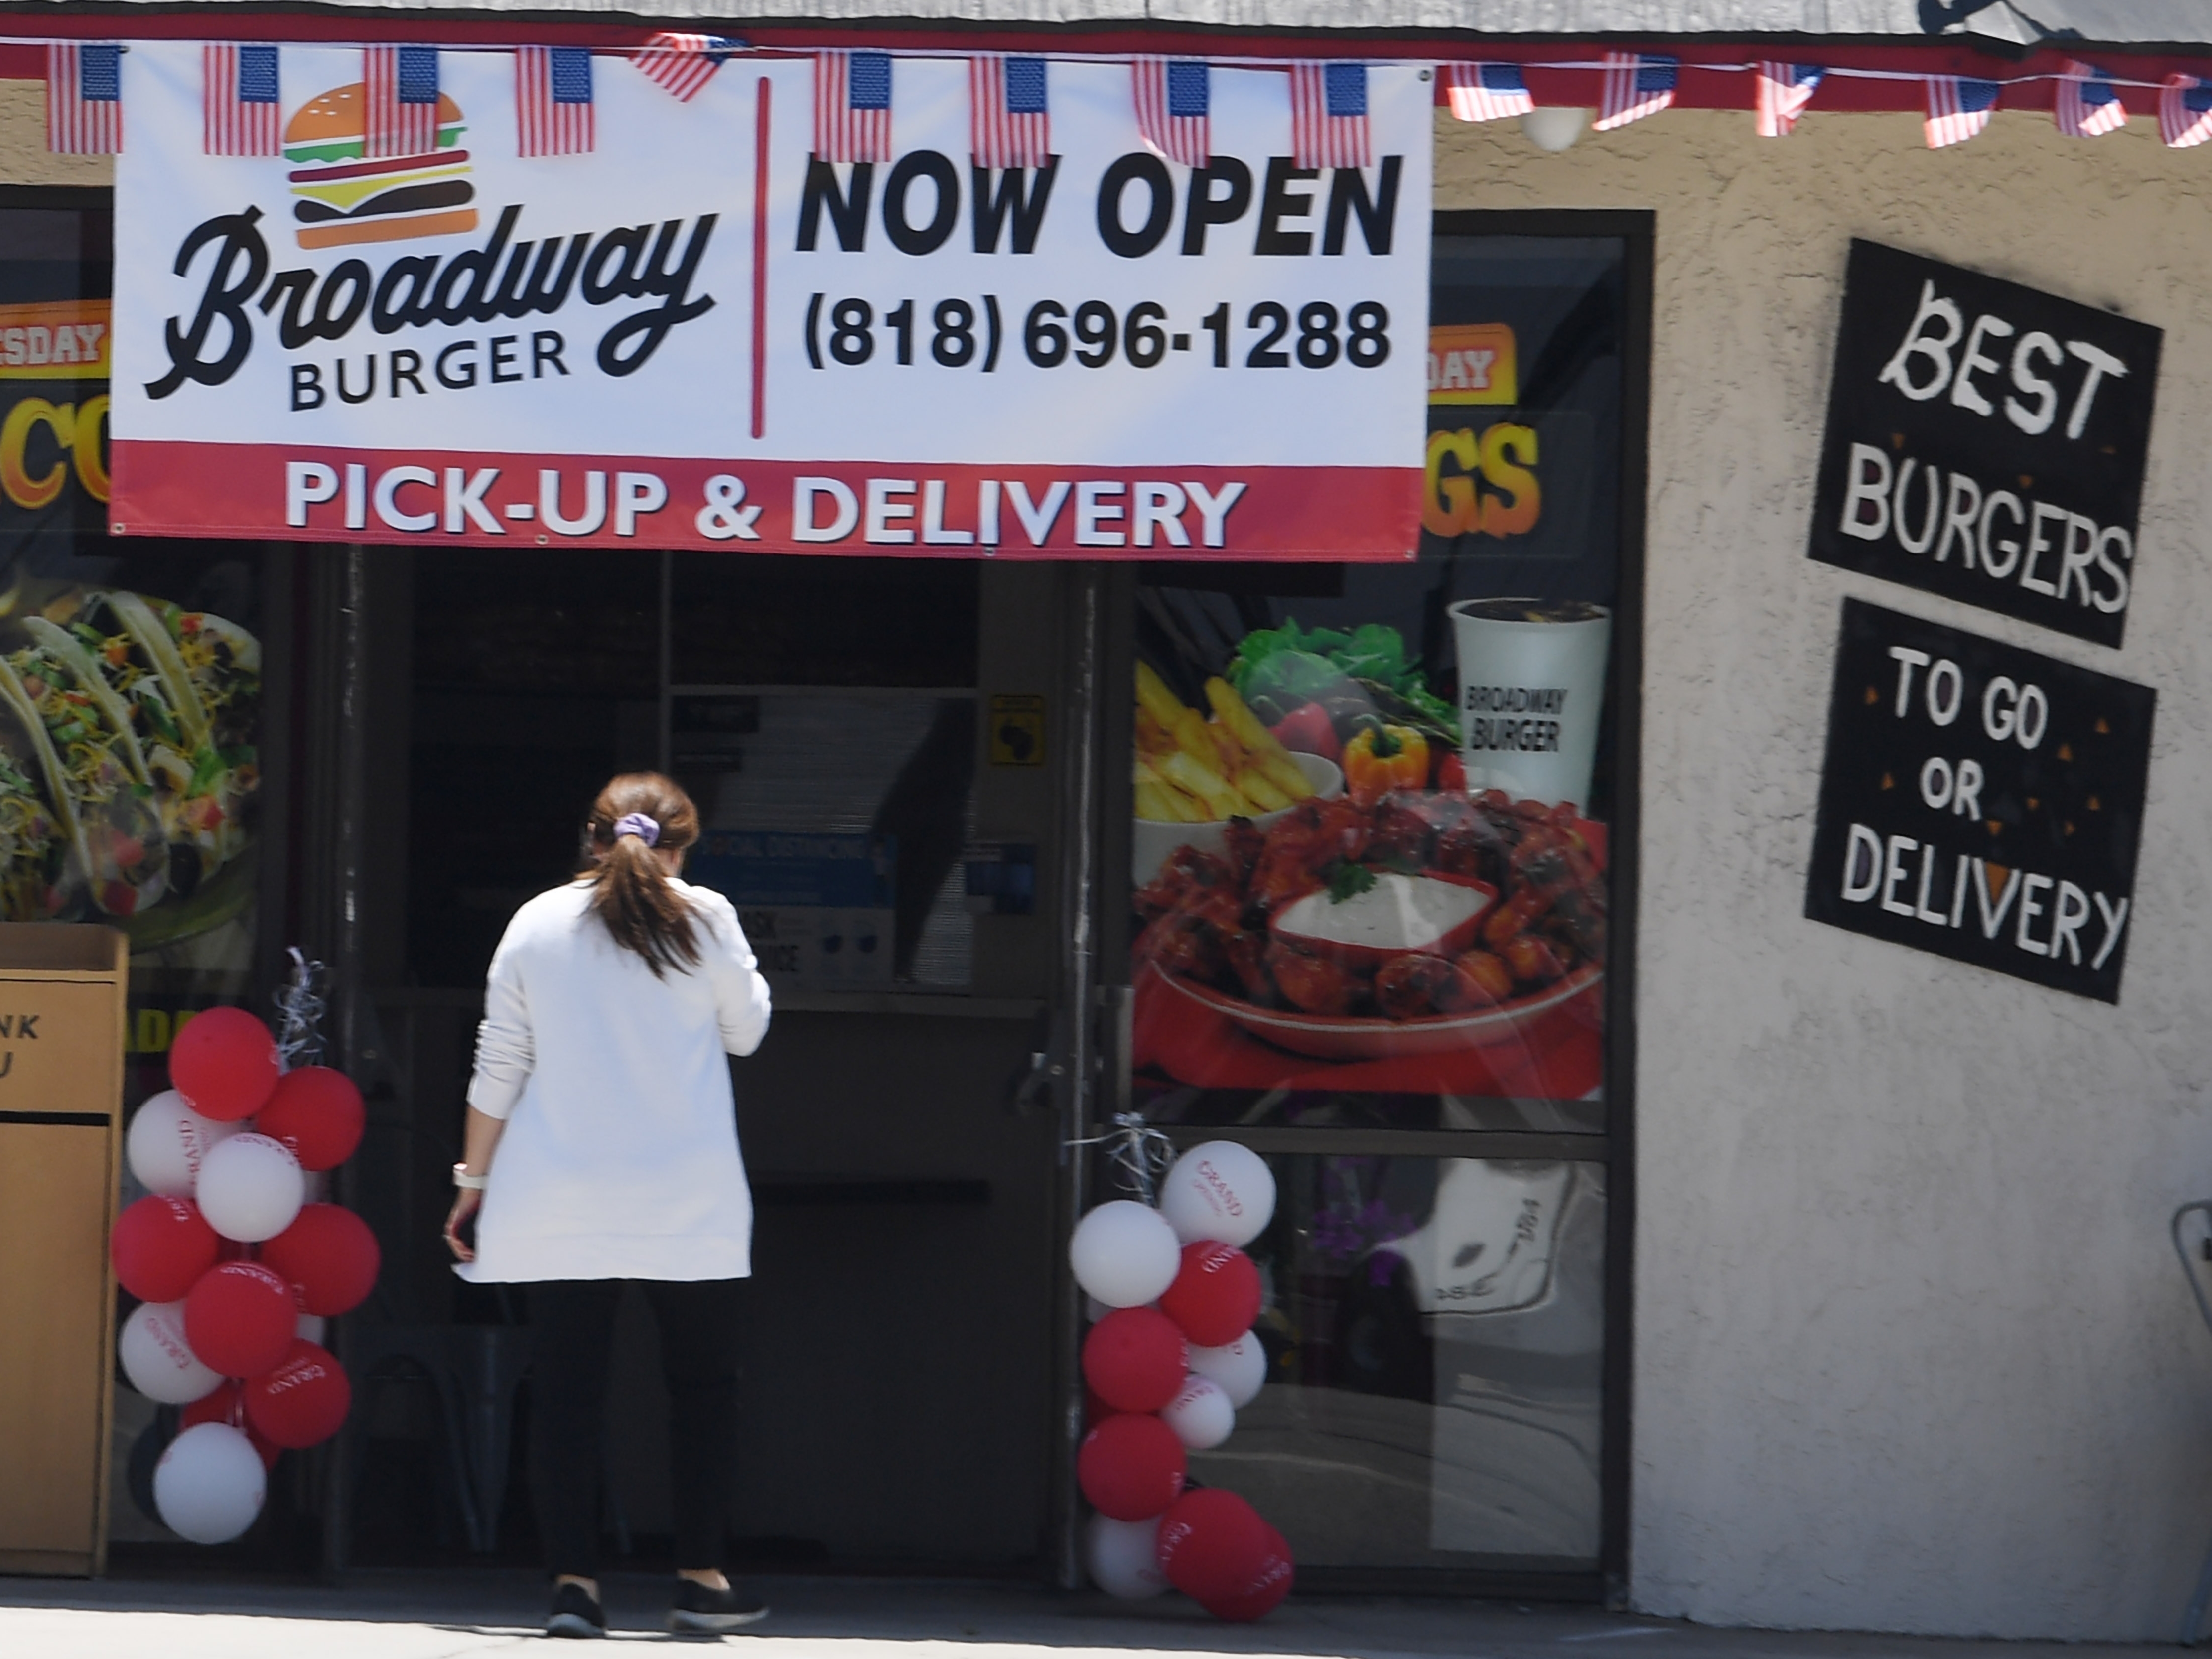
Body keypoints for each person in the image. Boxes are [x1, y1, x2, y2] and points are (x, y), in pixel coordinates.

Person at [442, 773, 773, 1639]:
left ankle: (572, 1589)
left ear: (591, 840)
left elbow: (497, 1066)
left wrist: (472, 1184)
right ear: (682, 844)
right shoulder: (708, 917)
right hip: (688, 1197)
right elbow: (748, 1030)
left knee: (567, 1395)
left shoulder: (535, 923)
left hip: (558, 1195)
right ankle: (700, 1579)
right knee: (702, 1389)